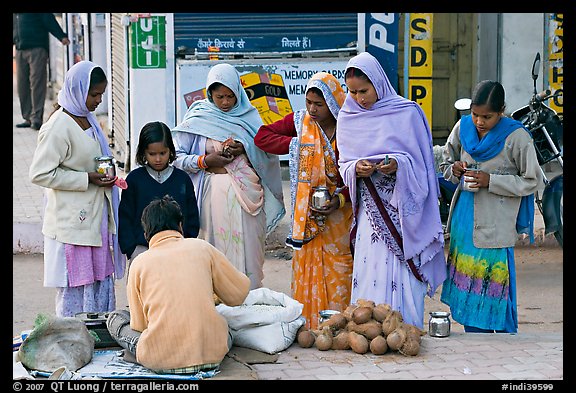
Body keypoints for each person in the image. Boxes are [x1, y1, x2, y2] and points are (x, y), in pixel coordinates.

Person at [336, 52, 447, 329]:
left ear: (379, 83)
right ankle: (370, 331)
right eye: (352, 91)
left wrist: (398, 164)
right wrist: (355, 169)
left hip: (402, 215)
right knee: (370, 267)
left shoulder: (407, 113)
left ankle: (407, 330)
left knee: (403, 274)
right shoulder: (347, 117)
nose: (359, 97)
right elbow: (344, 163)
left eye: (364, 90)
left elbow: (422, 162)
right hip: (370, 217)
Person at [439, 80, 543, 333]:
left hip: (497, 222)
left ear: (502, 111)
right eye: (475, 115)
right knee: (467, 281)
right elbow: (446, 164)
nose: (479, 122)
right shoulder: (462, 128)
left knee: (492, 283)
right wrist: (454, 169)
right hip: (465, 216)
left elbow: (533, 181)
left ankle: (496, 340)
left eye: (488, 116)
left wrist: (491, 181)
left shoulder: (516, 137)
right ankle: (474, 335)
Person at [172, 63, 285, 290]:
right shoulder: (198, 117)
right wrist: (205, 161)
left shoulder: (250, 117)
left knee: (249, 252)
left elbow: (267, 155)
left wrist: (245, 148)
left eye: (230, 97)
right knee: (214, 251)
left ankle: (249, 302)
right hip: (210, 199)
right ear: (209, 94)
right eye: (219, 96)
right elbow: (175, 157)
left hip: (249, 200)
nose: (225, 102)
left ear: (238, 93)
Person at [107, 195, 250, 374]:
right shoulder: (202, 247)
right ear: (180, 226)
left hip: (161, 359)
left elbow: (140, 326)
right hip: (213, 353)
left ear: (146, 234)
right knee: (222, 323)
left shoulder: (140, 262)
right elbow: (239, 294)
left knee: (117, 317)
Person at [254, 72, 353, 330]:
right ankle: (309, 326)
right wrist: (301, 145)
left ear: (333, 103)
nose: (312, 108)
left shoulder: (350, 128)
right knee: (307, 267)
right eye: (309, 102)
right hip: (308, 216)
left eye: (319, 104)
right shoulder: (301, 122)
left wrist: (340, 199)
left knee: (340, 268)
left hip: (340, 218)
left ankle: (339, 327)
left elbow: (358, 177)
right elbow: (262, 137)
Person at [29, 60, 125, 317]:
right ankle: (73, 338)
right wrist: (86, 179)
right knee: (77, 286)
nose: (98, 101)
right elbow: (40, 173)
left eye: (101, 95)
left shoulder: (88, 120)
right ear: (77, 90)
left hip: (95, 221)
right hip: (73, 226)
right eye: (94, 94)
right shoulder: (58, 126)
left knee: (98, 283)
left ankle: (99, 336)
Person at [118, 121, 200, 269]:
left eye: (162, 153)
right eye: (152, 154)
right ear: (143, 152)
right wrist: (132, 249)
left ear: (171, 151)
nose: (157, 159)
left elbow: (192, 215)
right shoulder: (134, 180)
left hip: (179, 251)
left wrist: (186, 242)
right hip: (142, 252)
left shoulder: (182, 179)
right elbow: (125, 217)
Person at [13, 13, 70, 130]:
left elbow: (49, 20)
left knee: (37, 83)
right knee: (22, 85)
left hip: (37, 48)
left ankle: (36, 119)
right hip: (20, 49)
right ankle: (27, 117)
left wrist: (61, 36)